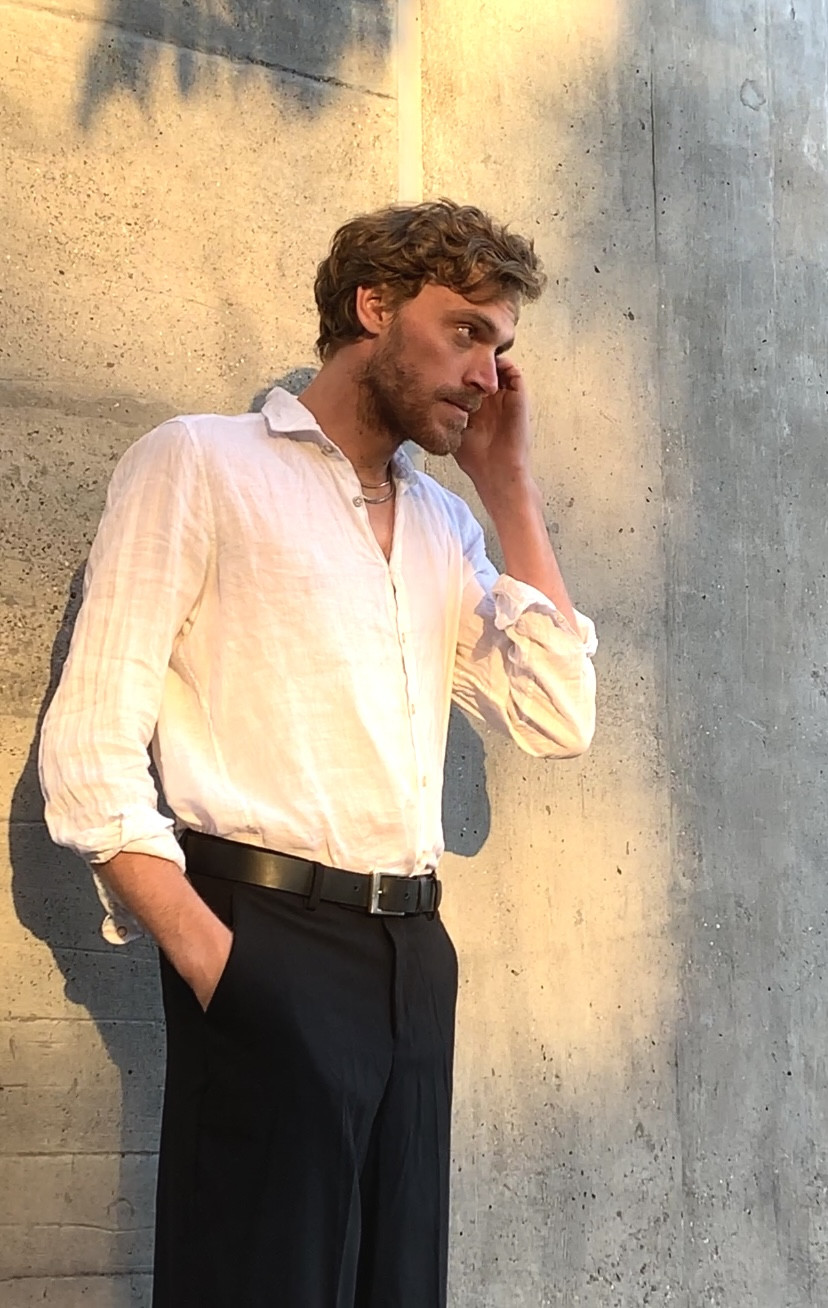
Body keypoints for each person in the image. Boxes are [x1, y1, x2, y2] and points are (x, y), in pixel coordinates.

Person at [38, 199, 597, 1308]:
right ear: (373, 305)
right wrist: (220, 964)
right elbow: (89, 751)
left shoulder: (441, 523)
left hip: (414, 957)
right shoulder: (201, 463)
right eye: (466, 331)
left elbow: (556, 716)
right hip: (266, 935)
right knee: (259, 1282)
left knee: (396, 1285)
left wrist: (508, 490)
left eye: (500, 346)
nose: (486, 374)